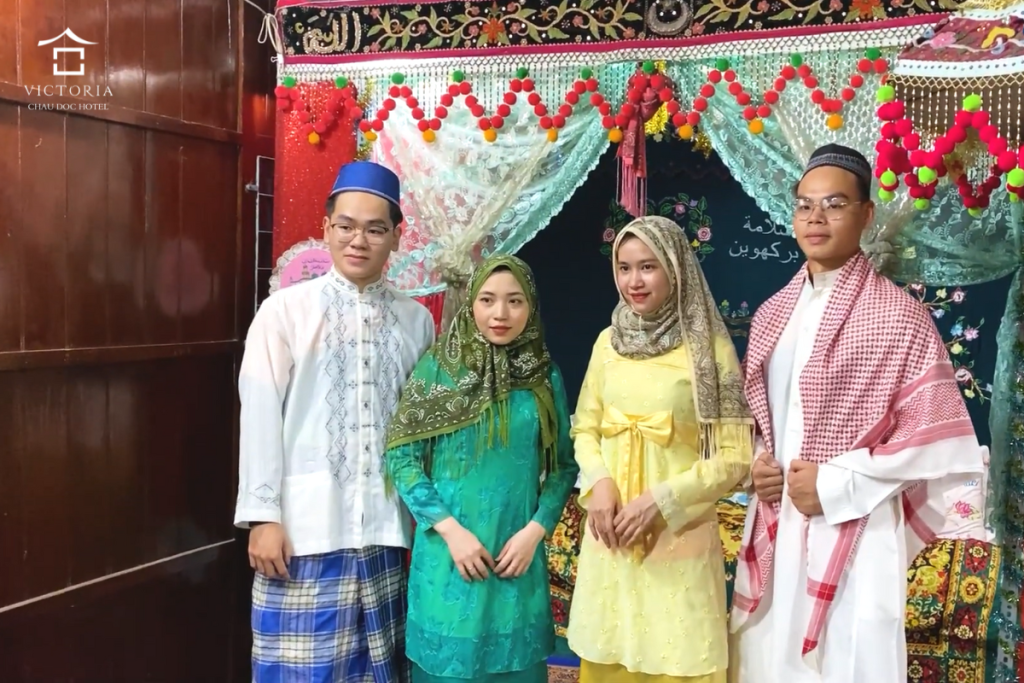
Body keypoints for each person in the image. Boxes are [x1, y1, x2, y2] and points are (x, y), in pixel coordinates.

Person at [728, 144, 986, 683]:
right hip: (776, 520)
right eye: (804, 205)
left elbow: (936, 445)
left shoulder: (900, 317)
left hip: (856, 527)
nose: (815, 217)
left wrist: (835, 482)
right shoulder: (775, 312)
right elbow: (761, 421)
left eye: (834, 204)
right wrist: (757, 464)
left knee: (846, 664)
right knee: (763, 661)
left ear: (866, 215)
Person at [234, 161, 435, 683]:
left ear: (396, 236)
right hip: (303, 533)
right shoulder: (284, 312)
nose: (358, 240)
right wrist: (262, 515)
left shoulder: (418, 320)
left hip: (387, 530)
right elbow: (258, 413)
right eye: (345, 226)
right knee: (300, 672)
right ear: (325, 228)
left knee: (378, 671)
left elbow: (421, 430)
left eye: (374, 229)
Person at [567, 216, 754, 683]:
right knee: (609, 658)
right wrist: (601, 483)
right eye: (625, 268)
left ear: (675, 268)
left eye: (648, 266)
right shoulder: (607, 343)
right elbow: (584, 429)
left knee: (679, 661)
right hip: (611, 537)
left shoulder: (709, 350)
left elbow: (734, 456)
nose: (634, 281)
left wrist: (660, 501)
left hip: (677, 539)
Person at [382, 255, 579, 683]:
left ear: (531, 308)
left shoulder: (544, 378)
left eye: (514, 301)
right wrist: (450, 531)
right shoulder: (438, 370)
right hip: (448, 564)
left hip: (517, 567)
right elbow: (402, 457)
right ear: (471, 303)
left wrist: (535, 532)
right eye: (488, 299)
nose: (501, 314)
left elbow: (564, 466)